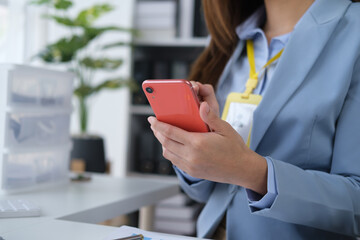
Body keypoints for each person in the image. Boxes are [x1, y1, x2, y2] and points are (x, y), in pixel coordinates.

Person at [148, 0, 360, 239]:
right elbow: (205, 193)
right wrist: (192, 157)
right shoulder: (232, 34)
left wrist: (250, 171)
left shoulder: (354, 31)